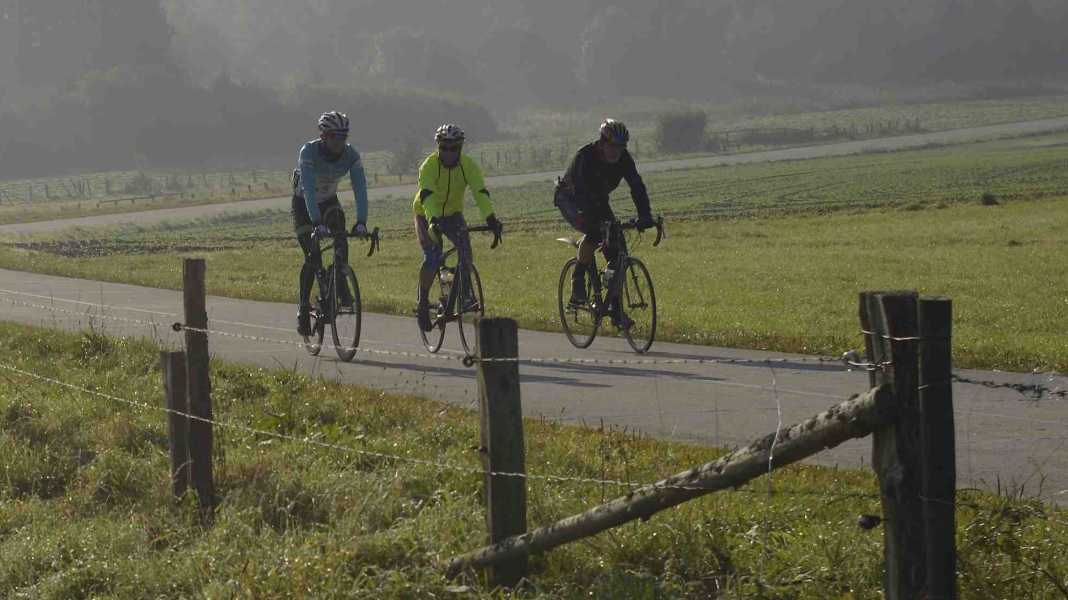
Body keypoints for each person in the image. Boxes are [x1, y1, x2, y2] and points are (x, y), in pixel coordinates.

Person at [554, 118, 655, 329]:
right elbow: (584, 194)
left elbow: (636, 186)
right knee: (595, 231)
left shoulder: (624, 159)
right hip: (572, 200)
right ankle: (578, 277)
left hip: (599, 200)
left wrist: (645, 215)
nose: (616, 152)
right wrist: (601, 225)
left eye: (621, 147)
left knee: (617, 253)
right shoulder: (586, 157)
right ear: (602, 142)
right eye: (612, 146)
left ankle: (616, 312)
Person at [412, 123, 501, 331]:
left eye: (454, 148)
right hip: (426, 213)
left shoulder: (468, 166)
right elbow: (427, 195)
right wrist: (432, 219)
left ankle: (465, 295)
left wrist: (490, 218)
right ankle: (423, 303)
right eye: (444, 147)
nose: (449, 153)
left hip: (452, 214)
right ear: (438, 147)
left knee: (466, 255)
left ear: (460, 148)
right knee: (433, 257)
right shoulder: (429, 166)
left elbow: (480, 192)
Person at [292, 110, 370, 336]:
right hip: (303, 204)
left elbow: (360, 189)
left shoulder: (351, 155)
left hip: (328, 201)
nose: (340, 142)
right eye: (335, 136)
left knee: (341, 235)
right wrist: (316, 222)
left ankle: (341, 281)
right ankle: (304, 307)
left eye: (343, 136)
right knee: (312, 256)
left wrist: (362, 222)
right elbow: (307, 188)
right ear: (324, 136)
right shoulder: (308, 152)